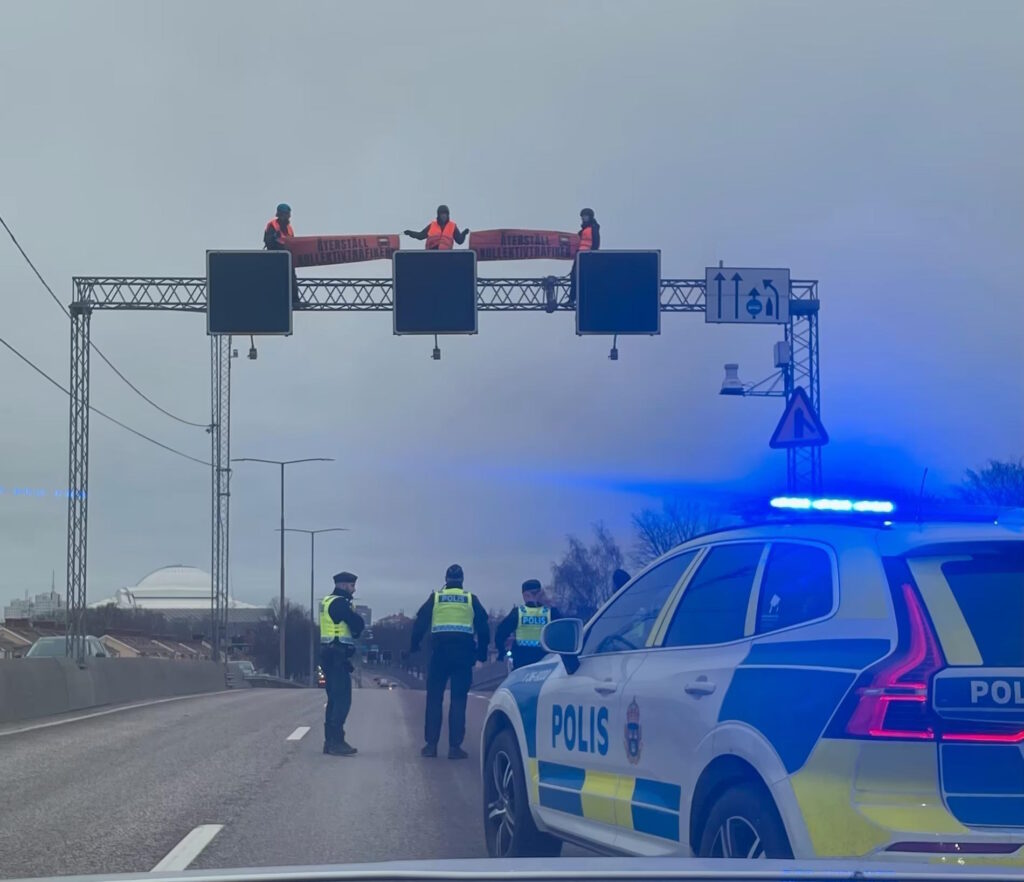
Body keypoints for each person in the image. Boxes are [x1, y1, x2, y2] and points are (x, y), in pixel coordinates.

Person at [410, 563, 489, 759]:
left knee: (434, 699)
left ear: (446, 580)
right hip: (463, 656)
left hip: (440, 655)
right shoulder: (471, 599)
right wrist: (482, 653)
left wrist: (414, 645)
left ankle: (431, 746)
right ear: (462, 580)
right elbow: (484, 628)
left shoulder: (436, 598)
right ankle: (454, 748)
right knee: (458, 701)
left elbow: (420, 623)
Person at [319, 571, 365, 757]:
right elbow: (356, 623)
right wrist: (357, 624)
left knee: (333, 699)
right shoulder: (340, 603)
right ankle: (336, 741)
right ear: (344, 585)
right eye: (352, 586)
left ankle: (330, 741)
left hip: (329, 654)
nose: (354, 589)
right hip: (336, 655)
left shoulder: (327, 601)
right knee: (342, 699)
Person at [493, 579, 561, 670]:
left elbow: (500, 633)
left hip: (522, 660)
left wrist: (502, 652)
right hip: (546, 658)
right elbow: (563, 632)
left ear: (526, 595)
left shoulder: (518, 613)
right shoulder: (551, 612)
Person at [263, 202, 300, 307]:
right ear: (279, 215)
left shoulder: (289, 228)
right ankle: (274, 300)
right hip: (275, 257)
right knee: (276, 280)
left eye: (287, 215)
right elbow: (268, 241)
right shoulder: (272, 225)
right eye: (284, 214)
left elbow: (293, 243)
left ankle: (295, 300)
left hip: (287, 257)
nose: (286, 217)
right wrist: (274, 237)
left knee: (292, 278)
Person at [567, 207, 601, 307]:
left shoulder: (593, 228)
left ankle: (579, 299)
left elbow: (596, 243)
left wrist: (593, 255)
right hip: (580, 256)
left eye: (585, 216)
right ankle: (571, 299)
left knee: (580, 278)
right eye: (582, 216)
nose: (583, 218)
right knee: (573, 277)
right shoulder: (583, 230)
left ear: (590, 217)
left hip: (587, 257)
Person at [403, 205, 469, 250]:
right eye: (442, 214)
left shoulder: (452, 226)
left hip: (446, 255)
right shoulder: (432, 225)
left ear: (448, 215)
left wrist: (464, 233)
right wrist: (410, 233)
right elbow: (421, 236)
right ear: (438, 215)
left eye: (445, 214)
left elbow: (459, 241)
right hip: (431, 253)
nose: (443, 216)